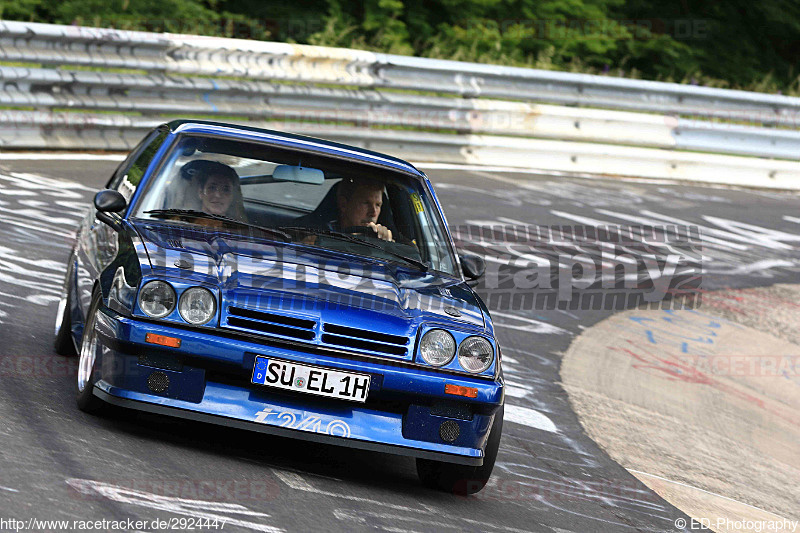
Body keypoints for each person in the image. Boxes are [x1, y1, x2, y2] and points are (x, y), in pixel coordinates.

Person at [333, 177, 394, 241]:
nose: (373, 213)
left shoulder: (377, 238)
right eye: (366, 203)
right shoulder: (323, 235)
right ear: (343, 204)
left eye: (378, 205)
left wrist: (386, 242)